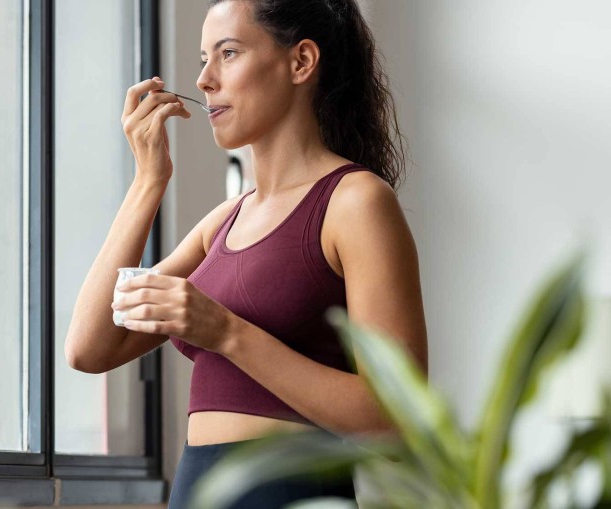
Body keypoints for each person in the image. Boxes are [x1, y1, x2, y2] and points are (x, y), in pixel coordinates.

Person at [64, 0, 428, 507]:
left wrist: (226, 333)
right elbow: (89, 347)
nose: (205, 80)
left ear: (301, 62)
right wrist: (148, 181)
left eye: (228, 53)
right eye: (202, 60)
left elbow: (397, 415)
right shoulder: (224, 221)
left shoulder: (356, 202)